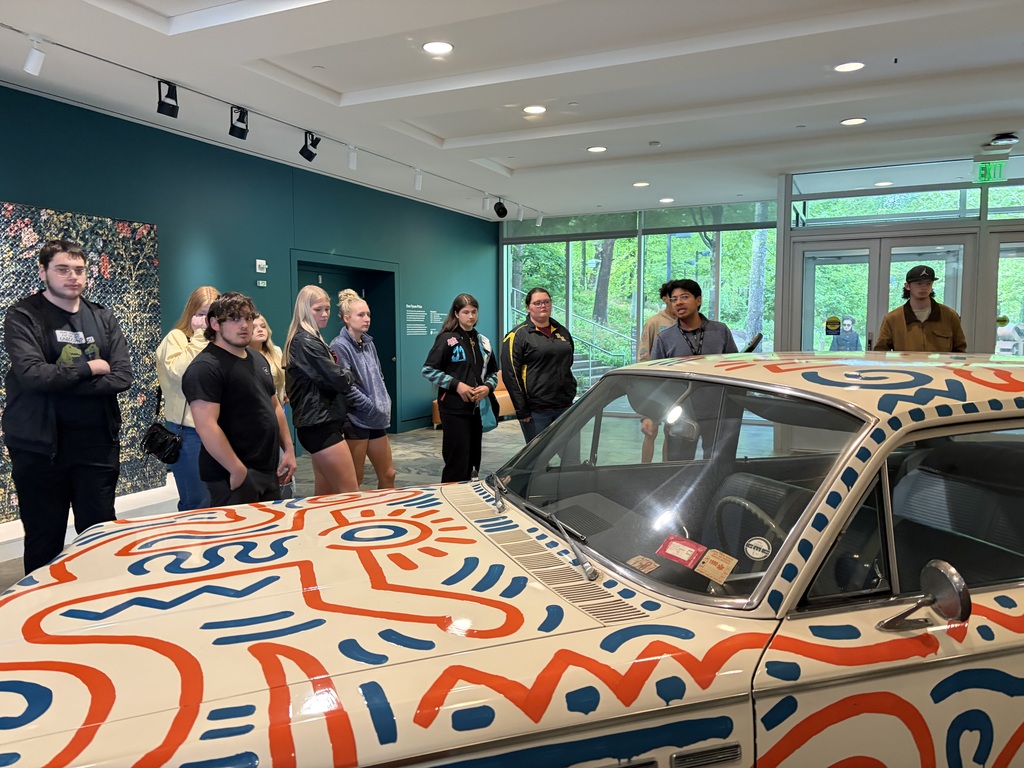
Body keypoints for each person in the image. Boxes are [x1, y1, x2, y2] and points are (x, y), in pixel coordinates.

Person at [2, 239, 133, 574]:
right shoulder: (23, 316)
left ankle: (101, 601)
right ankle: (39, 611)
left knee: (100, 532)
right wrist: (89, 368)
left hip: (96, 445)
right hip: (39, 448)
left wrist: (59, 381)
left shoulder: (102, 317)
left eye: (79, 270)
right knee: (44, 538)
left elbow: (122, 376)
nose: (72, 276)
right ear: (43, 271)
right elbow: (32, 375)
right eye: (62, 269)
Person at [182, 292, 296, 506]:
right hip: (232, 475)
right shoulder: (205, 368)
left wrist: (288, 450)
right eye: (234, 319)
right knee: (239, 538)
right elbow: (206, 426)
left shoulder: (256, 357)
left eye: (248, 318)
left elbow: (274, 407)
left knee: (269, 534)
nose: (244, 325)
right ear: (214, 324)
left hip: (267, 469)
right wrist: (236, 469)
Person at [646, 279, 737, 461]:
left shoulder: (720, 331)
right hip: (681, 415)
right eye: (674, 299)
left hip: (717, 413)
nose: (678, 302)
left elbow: (733, 369)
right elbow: (655, 381)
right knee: (678, 468)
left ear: (698, 300)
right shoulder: (665, 338)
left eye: (685, 297)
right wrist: (650, 416)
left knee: (717, 466)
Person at [284, 285, 358, 494]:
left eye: (327, 309)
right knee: (349, 492)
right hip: (320, 424)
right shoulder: (306, 341)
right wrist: (349, 374)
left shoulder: (307, 339)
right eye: (318, 309)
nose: (325, 314)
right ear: (305, 309)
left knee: (325, 495)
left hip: (320, 423)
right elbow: (337, 379)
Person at [156, 285, 219, 511]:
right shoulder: (177, 338)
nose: (207, 321)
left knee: (219, 499)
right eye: (202, 314)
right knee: (197, 501)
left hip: (219, 430)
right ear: (191, 314)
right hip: (188, 431)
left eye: (212, 315)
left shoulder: (220, 344)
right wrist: (201, 337)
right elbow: (179, 374)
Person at [422, 293, 498, 482]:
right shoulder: (447, 339)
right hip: (454, 408)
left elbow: (494, 373)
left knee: (473, 458)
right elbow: (428, 370)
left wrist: (487, 388)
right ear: (456, 314)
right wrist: (457, 385)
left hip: (476, 409)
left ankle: (469, 491)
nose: (470, 316)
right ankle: (450, 495)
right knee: (457, 458)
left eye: (474, 312)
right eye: (465, 312)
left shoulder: (483, 341)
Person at [330, 289, 396, 489]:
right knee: (354, 479)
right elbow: (345, 386)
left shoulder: (369, 343)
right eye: (361, 315)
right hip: (356, 420)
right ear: (346, 318)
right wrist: (368, 405)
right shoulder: (339, 345)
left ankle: (387, 513)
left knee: (389, 474)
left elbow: (379, 376)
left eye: (368, 314)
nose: (366, 319)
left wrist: (382, 401)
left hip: (376, 418)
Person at [501, 287, 577, 443]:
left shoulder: (562, 332)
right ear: (528, 307)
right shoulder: (517, 336)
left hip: (565, 406)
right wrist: (522, 410)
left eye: (546, 302)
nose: (543, 306)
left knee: (571, 459)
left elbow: (568, 363)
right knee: (538, 462)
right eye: (537, 303)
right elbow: (511, 376)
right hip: (536, 412)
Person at [248, 314, 293, 498]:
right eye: (255, 326)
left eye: (263, 326)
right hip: (258, 416)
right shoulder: (245, 356)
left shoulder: (275, 351)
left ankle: (285, 495)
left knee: (283, 458)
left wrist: (285, 393)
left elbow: (283, 381)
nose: (260, 329)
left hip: (278, 410)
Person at [875, 265, 967, 353]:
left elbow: (960, 351)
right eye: (919, 283)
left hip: (940, 369)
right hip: (906, 369)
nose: (924, 287)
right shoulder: (892, 319)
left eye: (928, 283)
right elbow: (881, 353)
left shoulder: (949, 316)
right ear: (907, 286)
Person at [638, 282, 678, 463]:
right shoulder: (655, 322)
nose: (678, 303)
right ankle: (644, 470)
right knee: (651, 431)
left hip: (677, 388)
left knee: (672, 433)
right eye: (674, 298)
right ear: (665, 299)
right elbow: (644, 355)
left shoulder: (685, 322)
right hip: (656, 386)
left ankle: (665, 469)